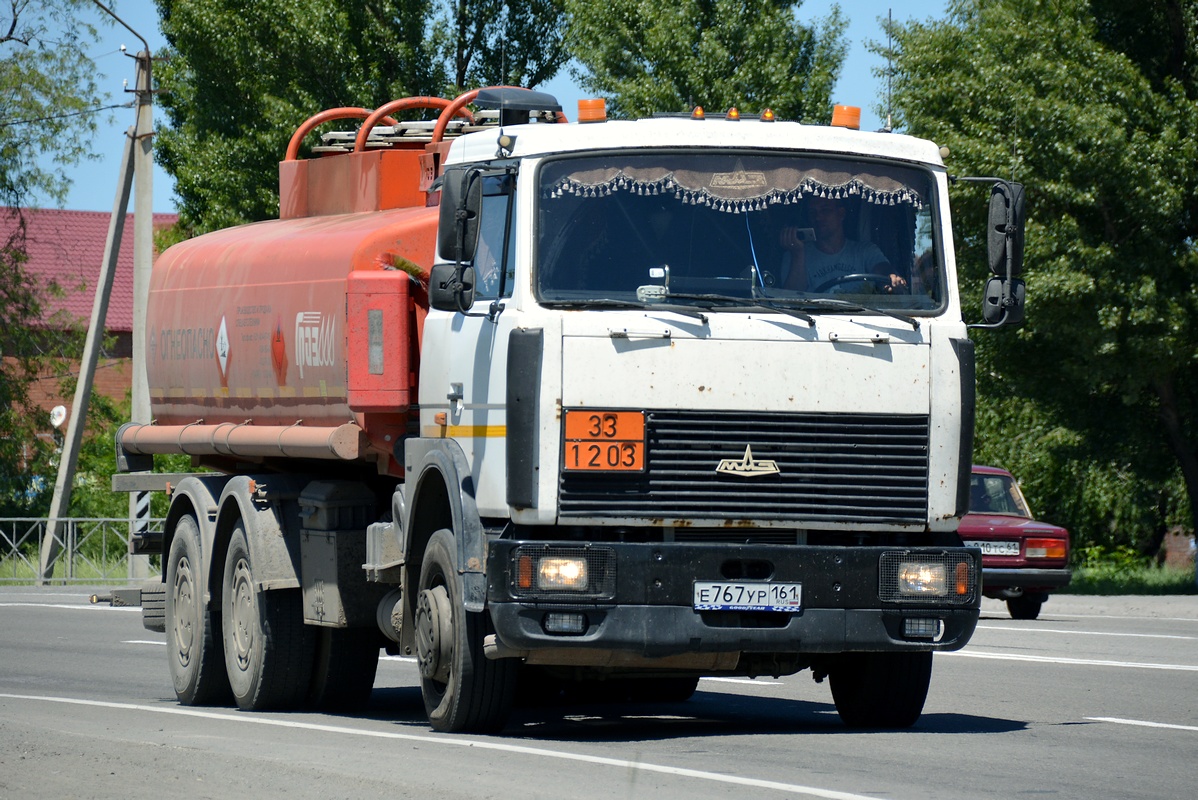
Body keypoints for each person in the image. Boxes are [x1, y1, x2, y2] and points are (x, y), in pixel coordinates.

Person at [781, 197, 907, 292]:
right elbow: (790, 298)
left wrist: (890, 277)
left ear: (841, 214)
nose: (818, 218)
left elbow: (882, 269)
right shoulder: (796, 255)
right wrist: (798, 255)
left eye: (825, 211)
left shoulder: (864, 251)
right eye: (813, 213)